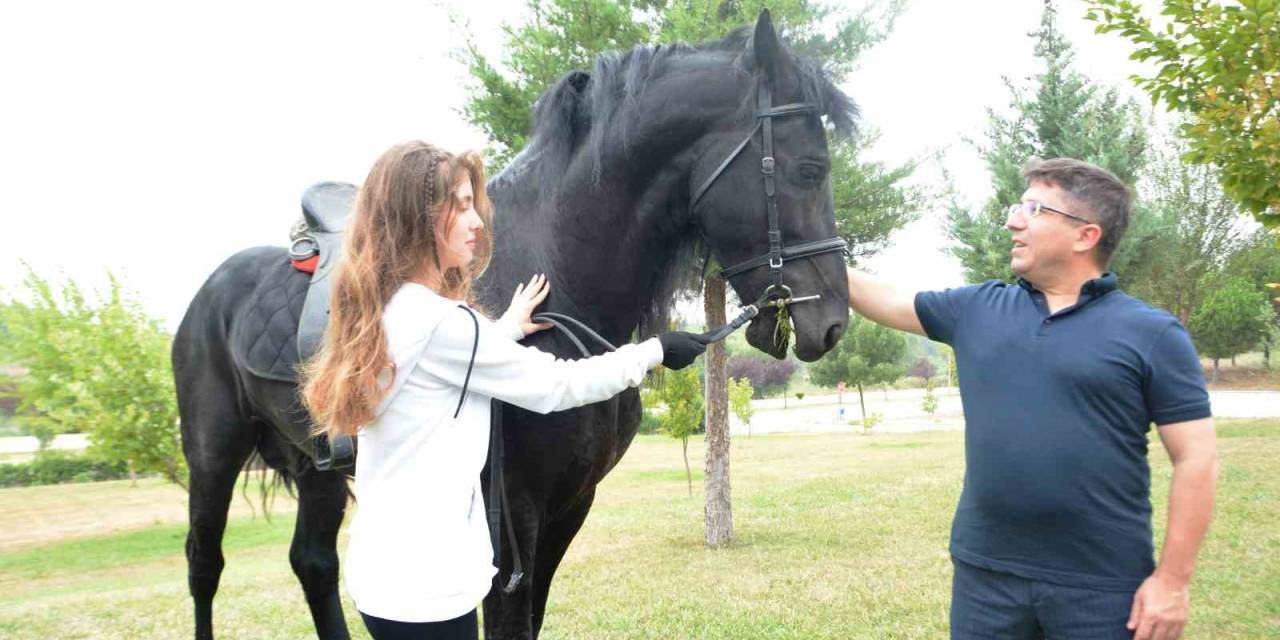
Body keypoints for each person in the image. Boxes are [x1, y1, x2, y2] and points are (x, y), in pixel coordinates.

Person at [299, 141, 709, 640]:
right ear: (418, 219)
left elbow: (436, 371)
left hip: (387, 580)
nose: (477, 222)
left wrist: (507, 328)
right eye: (462, 206)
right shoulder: (443, 323)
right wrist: (654, 352)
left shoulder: (394, 310)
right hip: (428, 593)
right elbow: (558, 385)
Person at [846, 158, 1218, 640]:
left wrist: (1172, 582)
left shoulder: (1151, 333)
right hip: (986, 577)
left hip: (1103, 587)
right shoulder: (977, 309)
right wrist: (802, 250)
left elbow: (1197, 459)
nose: (1013, 220)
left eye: (1034, 209)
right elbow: (889, 299)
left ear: (1086, 236)